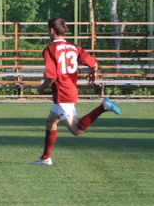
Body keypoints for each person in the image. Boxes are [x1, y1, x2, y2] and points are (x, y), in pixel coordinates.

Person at [32, 17, 121, 166]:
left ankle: (103, 107)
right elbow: (94, 63)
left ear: (51, 31)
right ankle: (45, 158)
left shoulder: (49, 49)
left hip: (62, 93)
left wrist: (41, 88)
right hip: (69, 90)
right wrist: (93, 72)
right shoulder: (74, 47)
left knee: (77, 130)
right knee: (51, 121)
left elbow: (51, 77)